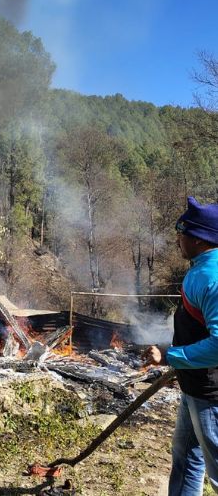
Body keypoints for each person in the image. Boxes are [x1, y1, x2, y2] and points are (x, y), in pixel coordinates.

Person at [144, 196, 218, 495]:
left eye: (182, 233)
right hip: (195, 386)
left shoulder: (211, 277)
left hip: (211, 392)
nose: (178, 240)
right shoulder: (203, 269)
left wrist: (171, 356)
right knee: (186, 457)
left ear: (199, 239)